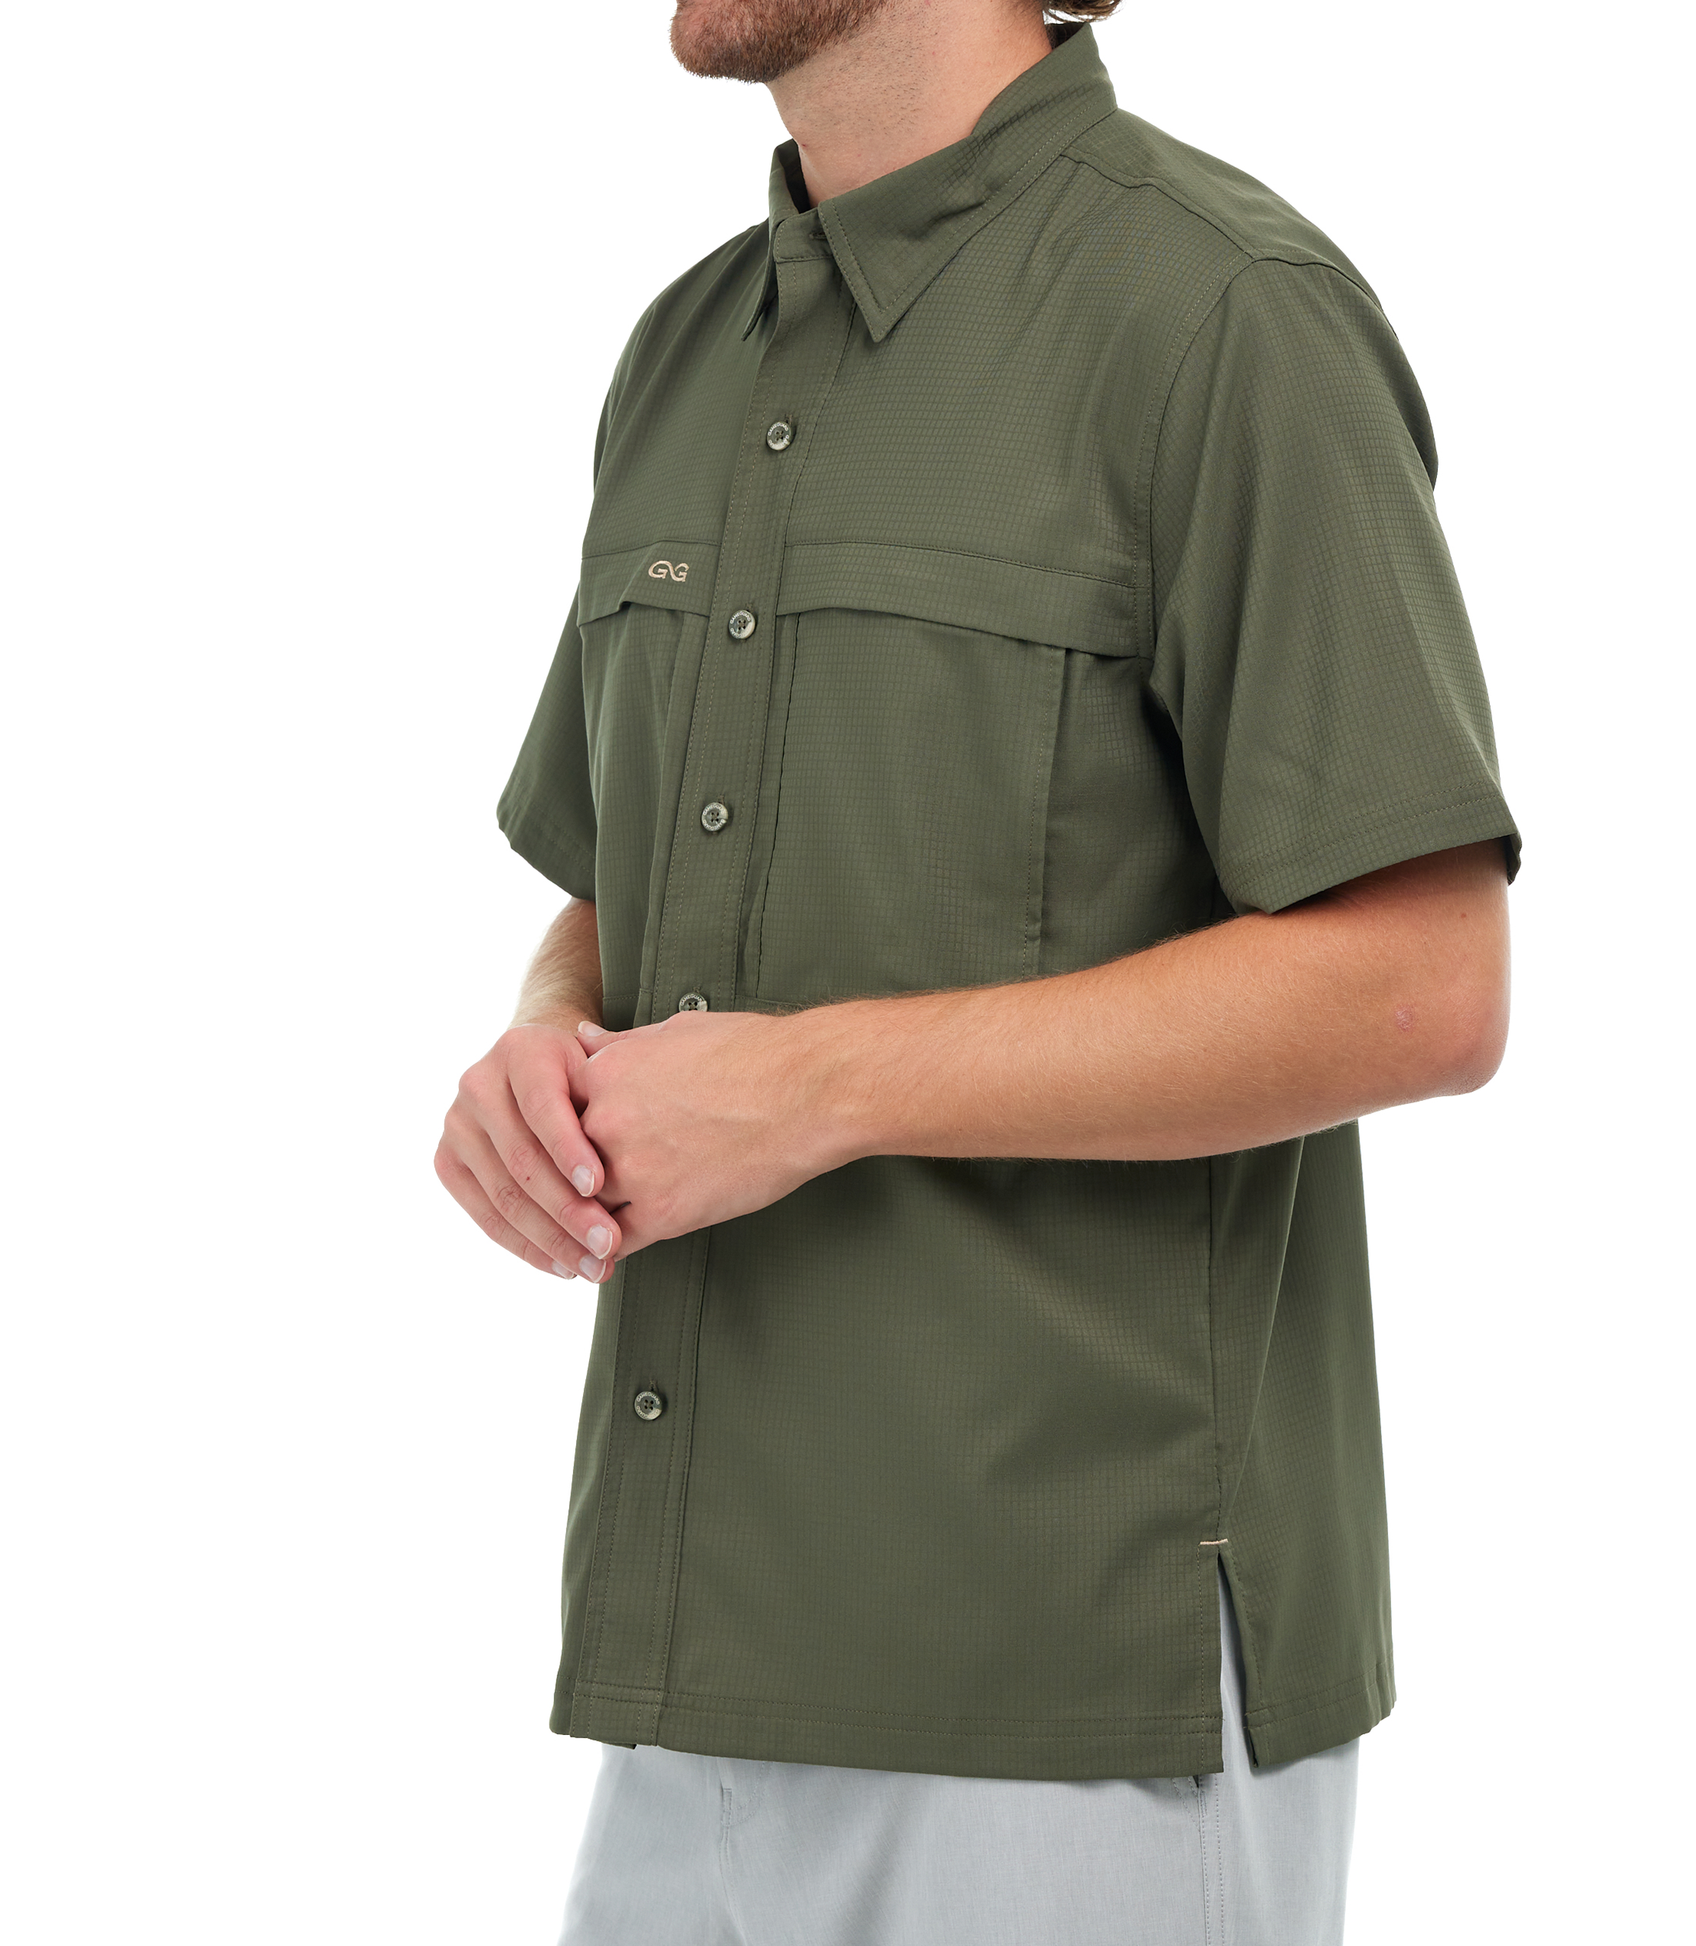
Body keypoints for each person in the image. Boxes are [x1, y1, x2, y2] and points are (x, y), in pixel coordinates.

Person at [433, 3, 1519, 1939]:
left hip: (1067, 1679)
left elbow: (1421, 984)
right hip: (695, 1656)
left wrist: (820, 1086)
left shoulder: (1221, 312)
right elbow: (616, 879)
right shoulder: (687, 347)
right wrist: (544, 1038)